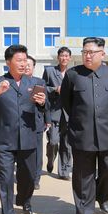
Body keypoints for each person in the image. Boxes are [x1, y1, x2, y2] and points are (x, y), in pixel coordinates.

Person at [0, 45, 46, 214]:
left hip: (29, 139)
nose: (24, 64)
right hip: (4, 142)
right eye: (19, 60)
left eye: (25, 60)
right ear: (8, 62)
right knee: (6, 181)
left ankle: (24, 198)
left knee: (29, 178)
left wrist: (42, 103)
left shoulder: (36, 83)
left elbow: (45, 108)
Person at [61, 37, 108, 214]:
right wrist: (79, 122)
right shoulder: (73, 75)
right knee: (83, 176)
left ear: (102, 54)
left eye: (91, 52)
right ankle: (84, 212)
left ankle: (102, 196)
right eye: (84, 52)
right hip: (83, 133)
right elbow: (67, 102)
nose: (87, 56)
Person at [42, 46, 72, 180]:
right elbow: (43, 88)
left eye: (66, 56)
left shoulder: (73, 73)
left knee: (67, 144)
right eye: (62, 55)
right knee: (53, 141)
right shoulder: (49, 71)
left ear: (70, 58)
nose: (64, 58)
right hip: (54, 112)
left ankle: (64, 172)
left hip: (69, 114)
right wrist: (55, 89)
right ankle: (50, 159)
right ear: (58, 57)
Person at [25, 55, 50, 189]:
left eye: (30, 64)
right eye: (25, 63)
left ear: (34, 67)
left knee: (37, 153)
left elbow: (46, 103)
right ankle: (25, 176)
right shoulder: (17, 82)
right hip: (21, 123)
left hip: (37, 123)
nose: (27, 66)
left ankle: (36, 179)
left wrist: (48, 120)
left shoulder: (40, 82)